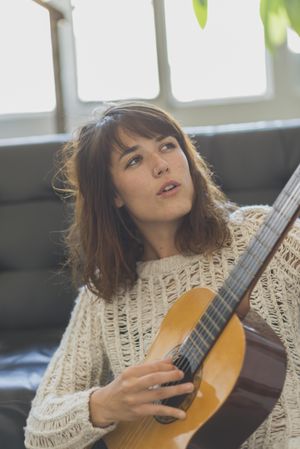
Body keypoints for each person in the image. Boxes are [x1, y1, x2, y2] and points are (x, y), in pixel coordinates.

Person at [24, 102, 300, 449]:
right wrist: (106, 403)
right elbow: (39, 430)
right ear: (113, 195)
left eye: (168, 145)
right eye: (134, 160)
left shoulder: (262, 234)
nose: (161, 165)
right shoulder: (104, 297)